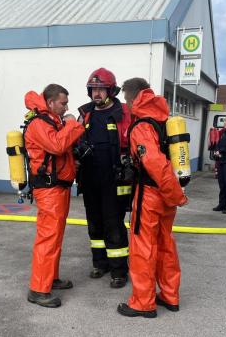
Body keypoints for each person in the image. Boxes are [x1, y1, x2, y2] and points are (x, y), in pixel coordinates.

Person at [116, 78, 188, 318]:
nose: (125, 105)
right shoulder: (163, 120)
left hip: (151, 193)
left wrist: (173, 194)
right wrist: (174, 194)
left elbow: (155, 163)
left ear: (133, 98)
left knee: (143, 247)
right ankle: (170, 296)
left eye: (126, 99)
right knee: (166, 244)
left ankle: (142, 303)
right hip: (167, 194)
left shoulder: (142, 126)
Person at [24, 84, 85, 308]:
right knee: (48, 238)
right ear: (50, 103)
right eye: (63, 103)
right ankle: (38, 289)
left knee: (55, 237)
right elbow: (57, 145)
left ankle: (50, 278)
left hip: (58, 188)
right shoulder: (39, 123)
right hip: (49, 190)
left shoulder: (51, 122)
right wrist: (72, 123)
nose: (66, 106)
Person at [77, 68, 132, 289]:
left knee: (114, 223)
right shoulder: (85, 113)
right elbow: (75, 139)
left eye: (101, 89)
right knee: (95, 223)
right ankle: (100, 263)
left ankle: (119, 270)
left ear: (111, 90)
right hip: (90, 178)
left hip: (115, 179)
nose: (96, 94)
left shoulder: (124, 112)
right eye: (93, 90)